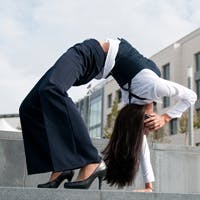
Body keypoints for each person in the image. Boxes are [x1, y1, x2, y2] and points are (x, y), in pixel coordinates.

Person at [19, 38, 197, 190]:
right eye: (147, 127)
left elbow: (140, 144)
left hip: (90, 64)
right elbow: (191, 96)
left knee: (50, 90)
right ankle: (69, 165)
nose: (146, 130)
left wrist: (149, 185)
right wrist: (166, 118)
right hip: (89, 53)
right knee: (29, 107)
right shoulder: (154, 86)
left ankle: (77, 162)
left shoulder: (131, 101)